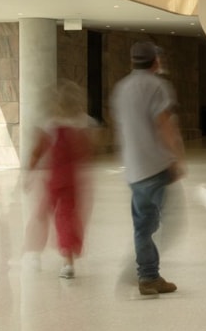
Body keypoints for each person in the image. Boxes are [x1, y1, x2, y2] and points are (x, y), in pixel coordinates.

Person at [110, 40, 185, 296]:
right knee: (166, 222)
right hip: (156, 166)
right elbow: (164, 123)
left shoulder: (121, 88)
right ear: (155, 61)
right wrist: (177, 157)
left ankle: (146, 273)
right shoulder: (157, 86)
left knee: (144, 224)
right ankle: (146, 273)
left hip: (134, 168)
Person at [25, 80, 94, 278]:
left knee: (41, 215)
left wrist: (29, 173)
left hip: (52, 179)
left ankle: (35, 253)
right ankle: (67, 261)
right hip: (71, 182)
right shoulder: (83, 124)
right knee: (66, 219)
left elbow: (37, 151)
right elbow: (86, 153)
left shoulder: (51, 126)